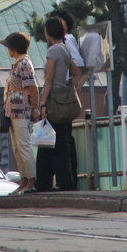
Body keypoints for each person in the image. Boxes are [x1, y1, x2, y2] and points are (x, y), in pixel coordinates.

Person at [35, 15, 85, 192]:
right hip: (64, 98)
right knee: (59, 142)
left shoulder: (53, 51)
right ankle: (52, 181)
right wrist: (72, 88)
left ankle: (49, 182)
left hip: (53, 99)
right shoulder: (65, 49)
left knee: (50, 143)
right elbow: (77, 73)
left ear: (48, 32)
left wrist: (42, 103)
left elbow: (48, 78)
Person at [0, 31, 39, 193]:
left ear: (14, 48)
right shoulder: (18, 63)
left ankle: (31, 181)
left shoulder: (24, 64)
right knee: (17, 148)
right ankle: (24, 180)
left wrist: (35, 108)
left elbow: (33, 87)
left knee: (24, 146)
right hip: (13, 112)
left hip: (21, 111)